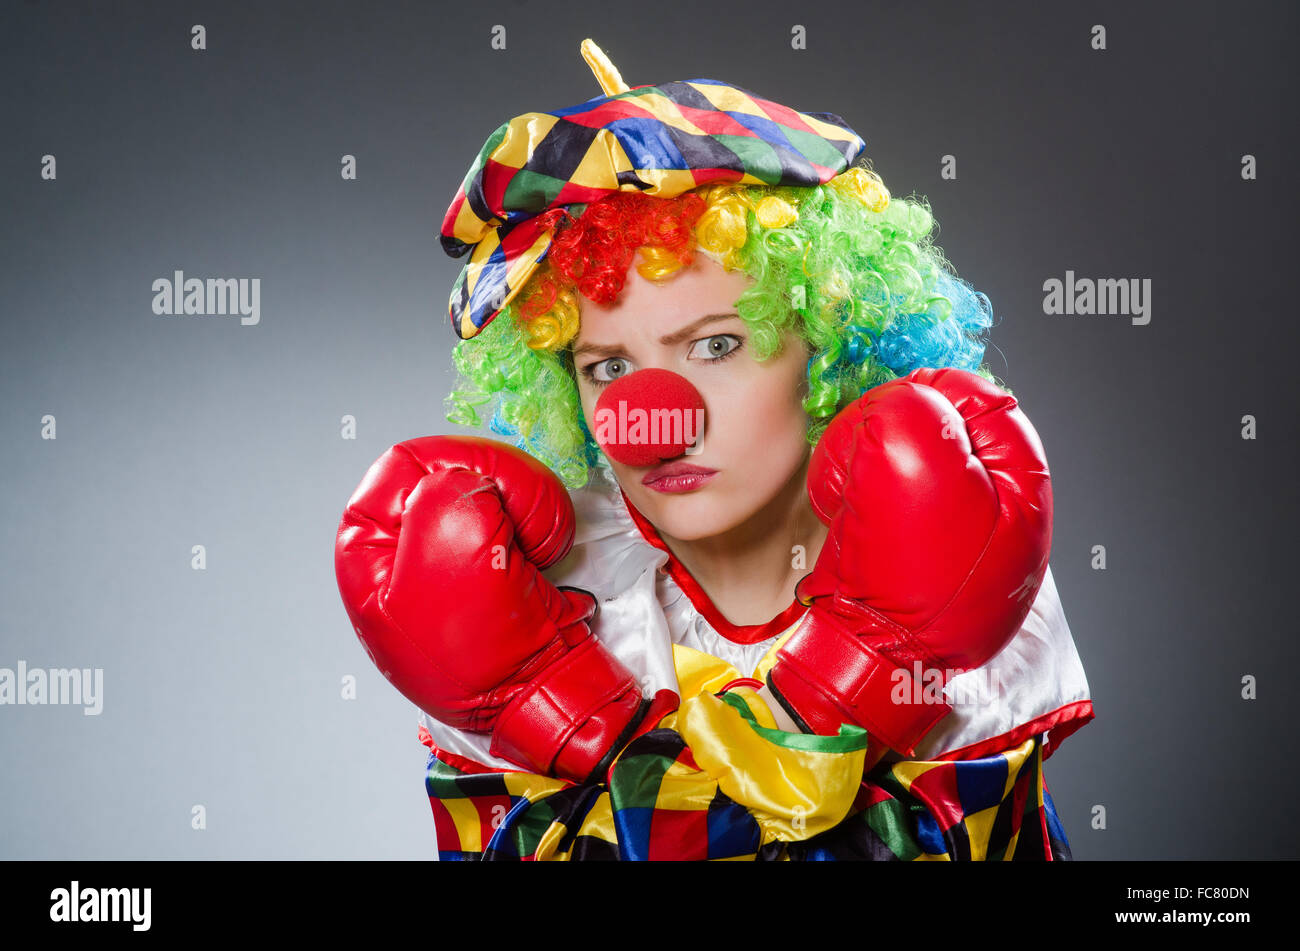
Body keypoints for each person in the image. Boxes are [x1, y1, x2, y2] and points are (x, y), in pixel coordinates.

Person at [333, 40, 1094, 861]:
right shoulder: (533, 597)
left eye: (717, 345)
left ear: (833, 340)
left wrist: (862, 673)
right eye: (610, 367)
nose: (650, 419)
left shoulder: (955, 553)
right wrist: (546, 700)